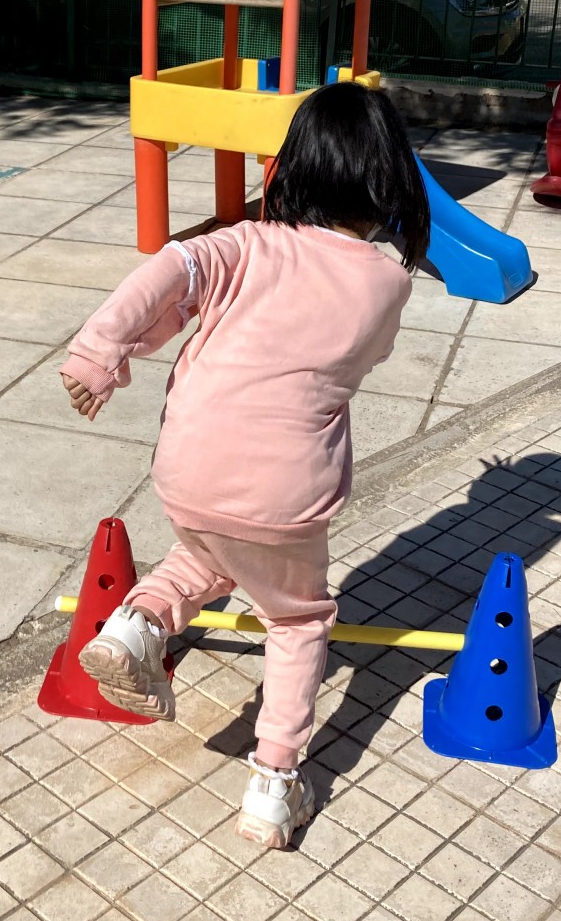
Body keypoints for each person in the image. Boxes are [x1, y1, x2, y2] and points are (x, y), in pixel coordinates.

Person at [59, 83, 430, 848]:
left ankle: (136, 626)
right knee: (296, 619)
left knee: (208, 553)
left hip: (190, 466)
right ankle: (274, 783)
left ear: (292, 167)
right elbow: (362, 358)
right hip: (283, 489)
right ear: (388, 178)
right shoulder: (387, 284)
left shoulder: (244, 244)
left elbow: (168, 268)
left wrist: (101, 355)